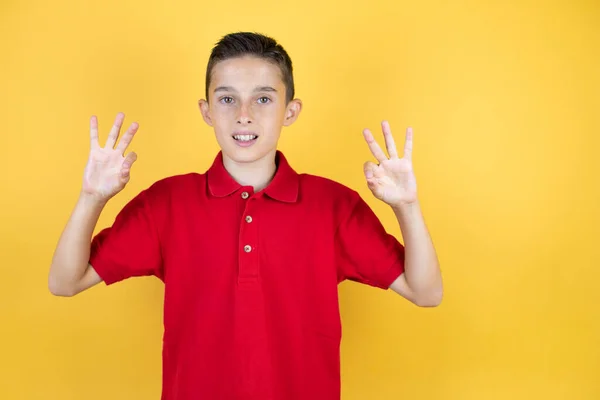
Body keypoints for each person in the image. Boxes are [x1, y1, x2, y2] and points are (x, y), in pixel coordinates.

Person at [48, 31, 442, 400]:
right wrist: (91, 197)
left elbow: (426, 292)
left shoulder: (334, 205)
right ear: (206, 111)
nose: (244, 114)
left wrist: (406, 206)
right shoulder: (166, 203)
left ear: (291, 111)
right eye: (227, 98)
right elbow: (65, 282)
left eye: (264, 99)